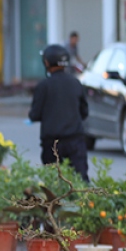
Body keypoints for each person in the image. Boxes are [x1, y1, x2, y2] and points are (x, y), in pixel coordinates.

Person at [29, 43, 90, 181]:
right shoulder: (76, 83)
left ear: (46, 62)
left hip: (52, 144)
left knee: (53, 182)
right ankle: (84, 203)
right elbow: (84, 112)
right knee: (80, 181)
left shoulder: (43, 86)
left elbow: (35, 114)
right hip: (76, 141)